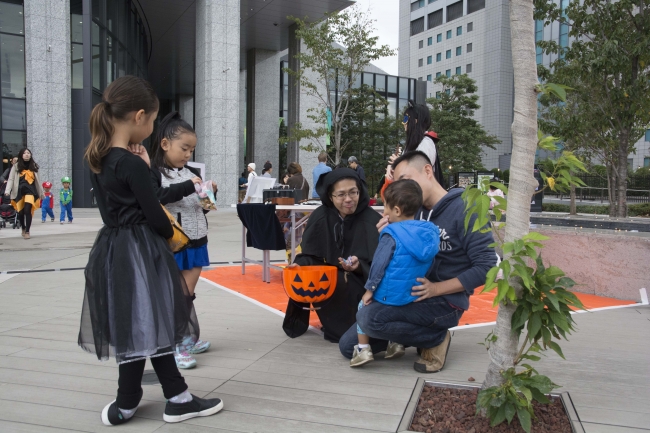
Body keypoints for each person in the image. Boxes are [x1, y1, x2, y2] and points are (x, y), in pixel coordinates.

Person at [77, 76, 223, 426]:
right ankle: (176, 398)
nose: (154, 128)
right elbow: (156, 215)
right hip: (142, 247)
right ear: (139, 116)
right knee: (155, 320)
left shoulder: (98, 158)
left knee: (133, 322)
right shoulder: (131, 163)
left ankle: (130, 400)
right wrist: (144, 172)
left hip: (112, 248)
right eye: (154, 120)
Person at [339, 151, 496, 373]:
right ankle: (406, 336)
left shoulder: (467, 207)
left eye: (405, 179)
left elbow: (487, 266)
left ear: (428, 171)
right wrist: (389, 238)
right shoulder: (410, 212)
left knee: (368, 318)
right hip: (406, 296)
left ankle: (436, 336)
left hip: (443, 301)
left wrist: (436, 289)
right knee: (348, 346)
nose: (401, 188)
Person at [146, 111, 216, 369]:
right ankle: (178, 345)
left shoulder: (189, 171)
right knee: (179, 296)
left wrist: (209, 196)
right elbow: (157, 198)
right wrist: (189, 187)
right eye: (184, 148)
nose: (188, 155)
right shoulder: (154, 172)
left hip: (198, 241)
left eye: (191, 150)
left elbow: (202, 207)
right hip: (174, 242)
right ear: (165, 144)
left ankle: (185, 337)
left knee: (186, 294)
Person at [283, 168, 381, 342]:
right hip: (328, 281)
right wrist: (300, 266)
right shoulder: (320, 217)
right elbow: (311, 255)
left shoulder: (372, 220)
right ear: (330, 196)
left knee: (348, 286)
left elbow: (382, 264)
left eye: (353, 192)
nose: (349, 199)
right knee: (311, 278)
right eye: (341, 195)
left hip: (362, 284)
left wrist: (359, 267)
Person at [351, 179, 439, 367]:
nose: (384, 213)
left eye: (386, 209)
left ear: (397, 211)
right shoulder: (428, 233)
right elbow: (429, 262)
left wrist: (370, 290)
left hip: (389, 293)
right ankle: (396, 344)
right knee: (395, 312)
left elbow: (379, 265)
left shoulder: (391, 234)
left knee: (362, 307)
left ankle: (362, 350)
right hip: (412, 291)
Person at [5, 148, 43, 240]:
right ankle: (23, 227)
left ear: (30, 155)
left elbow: (38, 181)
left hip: (31, 190)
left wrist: (41, 193)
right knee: (21, 212)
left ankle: (27, 231)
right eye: (25, 153)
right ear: (21, 155)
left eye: (28, 153)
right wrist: (7, 191)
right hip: (19, 191)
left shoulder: (34, 166)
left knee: (27, 210)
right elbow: (11, 179)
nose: (27, 154)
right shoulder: (16, 166)